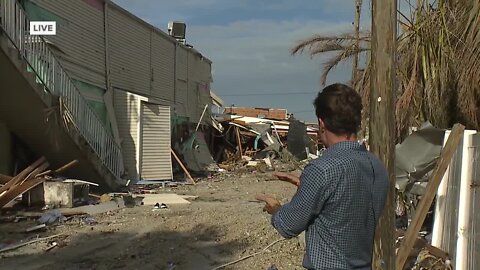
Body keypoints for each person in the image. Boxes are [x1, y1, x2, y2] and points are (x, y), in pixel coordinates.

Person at [256, 83, 389, 270]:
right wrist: (306, 186)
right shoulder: (377, 167)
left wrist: (276, 208)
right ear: (357, 122)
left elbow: (288, 225)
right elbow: (344, 203)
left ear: (321, 124)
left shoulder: (321, 170)